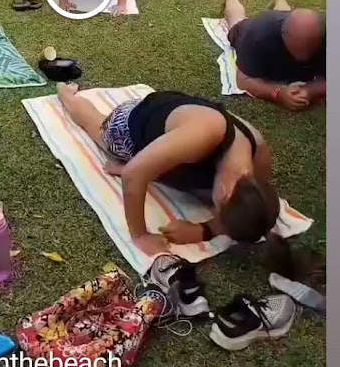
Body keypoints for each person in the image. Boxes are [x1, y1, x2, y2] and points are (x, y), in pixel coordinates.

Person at [57, 82, 280, 258]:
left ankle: (149, 162)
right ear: (224, 192)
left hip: (180, 122)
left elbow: (236, 213)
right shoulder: (203, 136)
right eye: (218, 211)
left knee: (198, 188)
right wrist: (141, 235)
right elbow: (133, 175)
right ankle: (65, 94)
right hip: (135, 120)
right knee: (97, 127)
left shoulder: (257, 155)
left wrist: (204, 231)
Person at [224, 0, 326, 110]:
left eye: (310, 46)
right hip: (254, 26)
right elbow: (244, 80)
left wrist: (310, 90)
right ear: (283, 35)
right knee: (236, 20)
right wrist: (277, 93)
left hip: (282, 21)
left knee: (284, 12)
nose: (304, 54)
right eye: (299, 48)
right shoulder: (256, 34)